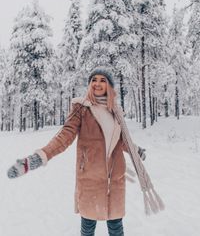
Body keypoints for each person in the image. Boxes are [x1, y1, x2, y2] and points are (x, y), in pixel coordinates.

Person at [7, 67, 164, 236]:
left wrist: (136, 150)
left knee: (116, 227)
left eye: (102, 80)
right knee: (88, 227)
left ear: (109, 86)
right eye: (94, 80)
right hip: (90, 178)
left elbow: (120, 140)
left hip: (115, 178)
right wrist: (39, 157)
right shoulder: (81, 108)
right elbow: (64, 137)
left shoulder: (116, 111)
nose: (97, 83)